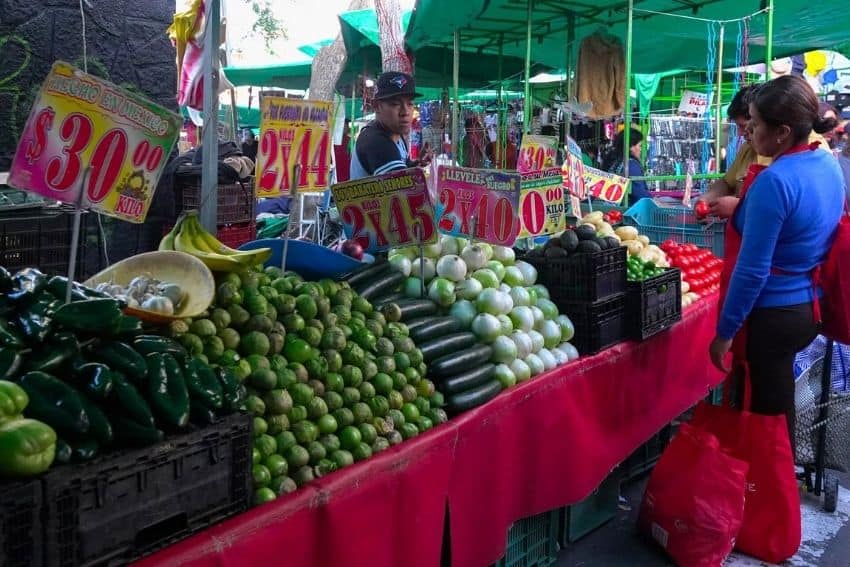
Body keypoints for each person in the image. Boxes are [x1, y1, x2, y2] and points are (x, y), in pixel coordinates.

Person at [709, 75, 844, 447]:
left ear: (782, 131)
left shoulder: (776, 181)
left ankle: (764, 494)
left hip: (771, 316)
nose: (748, 130)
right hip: (808, 306)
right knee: (775, 407)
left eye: (754, 121)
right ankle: (769, 488)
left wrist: (724, 334)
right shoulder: (827, 163)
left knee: (764, 421)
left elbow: (751, 273)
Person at [350, 72, 432, 180]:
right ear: (376, 106)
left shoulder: (396, 136)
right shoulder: (376, 141)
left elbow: (404, 170)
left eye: (410, 104)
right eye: (395, 104)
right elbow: (407, 189)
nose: (405, 112)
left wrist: (418, 163)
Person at [702, 86, 768, 219]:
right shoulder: (747, 148)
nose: (740, 133)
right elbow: (727, 182)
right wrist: (706, 199)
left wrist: (739, 208)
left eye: (745, 126)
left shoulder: (792, 157)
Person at [601, 128, 651, 206]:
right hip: (625, 210)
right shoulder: (631, 164)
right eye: (640, 146)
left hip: (608, 209)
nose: (641, 149)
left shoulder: (611, 159)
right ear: (631, 147)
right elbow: (640, 195)